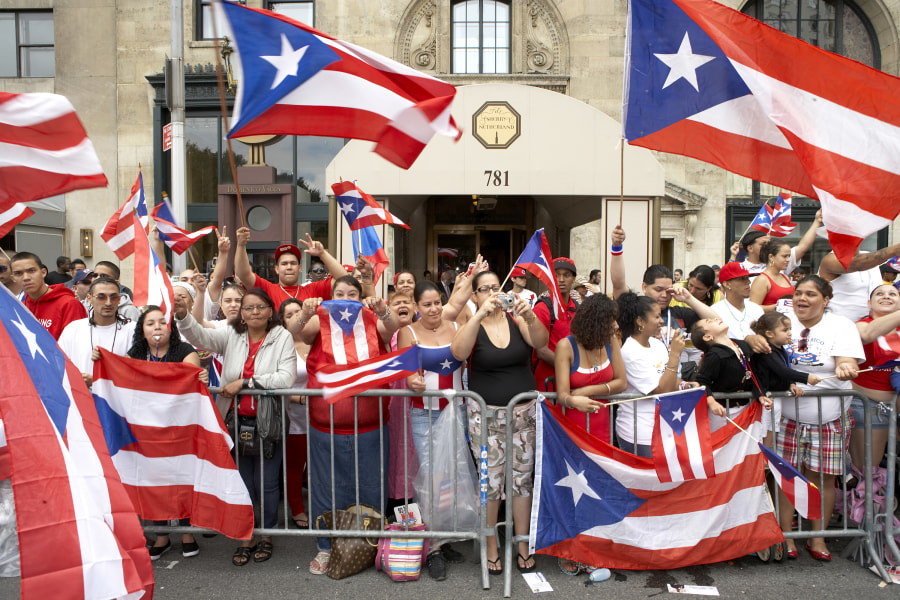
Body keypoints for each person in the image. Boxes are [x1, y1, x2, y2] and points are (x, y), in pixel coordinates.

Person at [175, 288, 297, 566]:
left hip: (270, 422)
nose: (254, 312)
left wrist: (244, 383)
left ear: (270, 311)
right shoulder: (232, 334)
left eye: (260, 307)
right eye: (248, 308)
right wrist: (182, 315)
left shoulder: (283, 337)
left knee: (267, 484)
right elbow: (201, 337)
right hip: (234, 420)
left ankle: (266, 534)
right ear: (241, 313)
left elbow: (285, 378)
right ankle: (246, 535)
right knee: (242, 482)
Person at [289, 275, 401, 576]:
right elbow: (296, 330)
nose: (346, 298)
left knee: (371, 486)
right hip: (325, 427)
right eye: (339, 293)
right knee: (325, 489)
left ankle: (367, 545)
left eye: (352, 293)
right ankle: (325, 548)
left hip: (371, 426)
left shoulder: (369, 316)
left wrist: (382, 310)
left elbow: (391, 328)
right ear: (331, 295)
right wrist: (306, 311)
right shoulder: (321, 318)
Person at [450, 270, 548, 575]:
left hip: (524, 414)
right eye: (484, 289)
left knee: (522, 481)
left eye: (496, 287)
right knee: (490, 483)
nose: (492, 293)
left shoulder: (517, 319)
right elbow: (458, 352)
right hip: (486, 415)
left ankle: (521, 542)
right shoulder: (473, 322)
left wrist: (529, 315)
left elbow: (541, 341)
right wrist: (478, 315)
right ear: (475, 295)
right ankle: (491, 542)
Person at [779, 275, 862, 561]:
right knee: (786, 477)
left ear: (826, 300)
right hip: (786, 417)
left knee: (823, 479)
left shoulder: (842, 325)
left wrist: (846, 367)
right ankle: (786, 538)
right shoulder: (782, 319)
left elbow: (848, 361)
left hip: (829, 418)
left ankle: (818, 539)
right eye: (798, 293)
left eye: (811, 294)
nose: (802, 299)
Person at [397, 281, 468, 580]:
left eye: (438, 302)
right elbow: (408, 373)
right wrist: (412, 380)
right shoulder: (407, 333)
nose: (434, 308)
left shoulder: (455, 327)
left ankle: (444, 536)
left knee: (450, 475)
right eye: (426, 304)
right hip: (423, 414)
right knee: (431, 477)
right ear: (415, 306)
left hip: (456, 412)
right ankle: (434, 546)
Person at [128, 305, 206, 560]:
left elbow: (190, 372)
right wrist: (101, 362)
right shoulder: (136, 353)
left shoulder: (184, 350)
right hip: (148, 433)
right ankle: (161, 535)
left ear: (170, 328)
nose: (157, 326)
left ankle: (186, 533)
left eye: (162, 322)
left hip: (179, 430)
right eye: (150, 323)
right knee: (153, 483)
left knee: (181, 478)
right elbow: (121, 376)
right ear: (142, 330)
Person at [616, 292, 689, 456]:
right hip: (640, 433)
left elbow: (668, 379)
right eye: (656, 317)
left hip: (665, 426)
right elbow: (662, 390)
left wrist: (685, 385)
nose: (661, 321)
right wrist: (675, 355)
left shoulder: (657, 344)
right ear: (640, 321)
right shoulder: (630, 351)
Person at [553, 294, 626, 442]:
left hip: (603, 428)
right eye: (611, 320)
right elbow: (562, 395)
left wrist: (586, 391)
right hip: (573, 428)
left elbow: (622, 382)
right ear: (595, 323)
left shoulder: (610, 340)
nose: (616, 325)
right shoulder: (566, 346)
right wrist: (573, 401)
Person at [234, 226, 353, 309]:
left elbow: (344, 280)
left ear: (300, 268)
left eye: (293, 263)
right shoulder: (267, 289)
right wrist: (241, 244)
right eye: (284, 264)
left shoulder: (314, 289)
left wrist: (322, 253)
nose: (289, 267)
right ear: (276, 269)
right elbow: (243, 274)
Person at [749, 311, 822, 440]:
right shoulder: (767, 351)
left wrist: (791, 384)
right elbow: (781, 370)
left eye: (790, 329)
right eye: (784, 330)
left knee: (772, 427)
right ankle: (761, 459)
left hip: (775, 397)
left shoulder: (781, 349)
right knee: (761, 432)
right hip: (765, 397)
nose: (789, 333)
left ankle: (766, 457)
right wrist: (806, 378)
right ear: (769, 333)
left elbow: (785, 369)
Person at [690, 317, 772, 432]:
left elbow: (753, 373)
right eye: (709, 321)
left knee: (746, 448)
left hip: (746, 409)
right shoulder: (714, 355)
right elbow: (702, 382)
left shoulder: (742, 345)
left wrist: (760, 394)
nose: (716, 319)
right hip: (723, 411)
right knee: (720, 447)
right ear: (708, 337)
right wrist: (712, 402)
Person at [851, 284, 900, 473]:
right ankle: (864, 503)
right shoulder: (862, 323)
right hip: (869, 405)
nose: (886, 296)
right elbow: (867, 335)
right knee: (866, 470)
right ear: (869, 303)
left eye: (892, 294)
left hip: (896, 407)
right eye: (880, 294)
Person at [58, 276, 136, 388]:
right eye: (101, 297)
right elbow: (61, 365)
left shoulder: (132, 330)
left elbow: (135, 373)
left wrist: (96, 380)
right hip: (81, 398)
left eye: (113, 297)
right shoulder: (73, 329)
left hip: (117, 401)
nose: (108, 303)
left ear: (119, 299)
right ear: (89, 298)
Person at [278, 299, 311, 531]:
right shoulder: (282, 345)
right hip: (294, 416)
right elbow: (274, 382)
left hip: (322, 414)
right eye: (288, 314)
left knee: (320, 465)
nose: (294, 317)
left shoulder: (317, 339)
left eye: (298, 312)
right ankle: (296, 508)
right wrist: (297, 398)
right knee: (294, 465)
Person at [11, 251, 86, 339]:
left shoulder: (69, 304)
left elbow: (76, 345)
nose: (26, 277)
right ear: (13, 278)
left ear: (43, 272)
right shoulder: (20, 308)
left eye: (31, 271)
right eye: (18, 273)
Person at [532, 257, 579, 392]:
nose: (561, 279)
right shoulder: (542, 308)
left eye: (567, 275)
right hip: (547, 385)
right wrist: (573, 367)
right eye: (556, 275)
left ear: (574, 279)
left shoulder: (577, 307)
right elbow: (541, 350)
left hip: (572, 383)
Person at [712, 262, 765, 345]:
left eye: (747, 277)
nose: (748, 282)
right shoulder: (715, 311)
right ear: (727, 284)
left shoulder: (757, 309)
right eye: (742, 278)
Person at [750, 239, 796, 312]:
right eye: (784, 256)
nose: (788, 260)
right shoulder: (762, 280)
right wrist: (778, 306)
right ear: (771, 257)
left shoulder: (785, 277)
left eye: (789, 256)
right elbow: (752, 309)